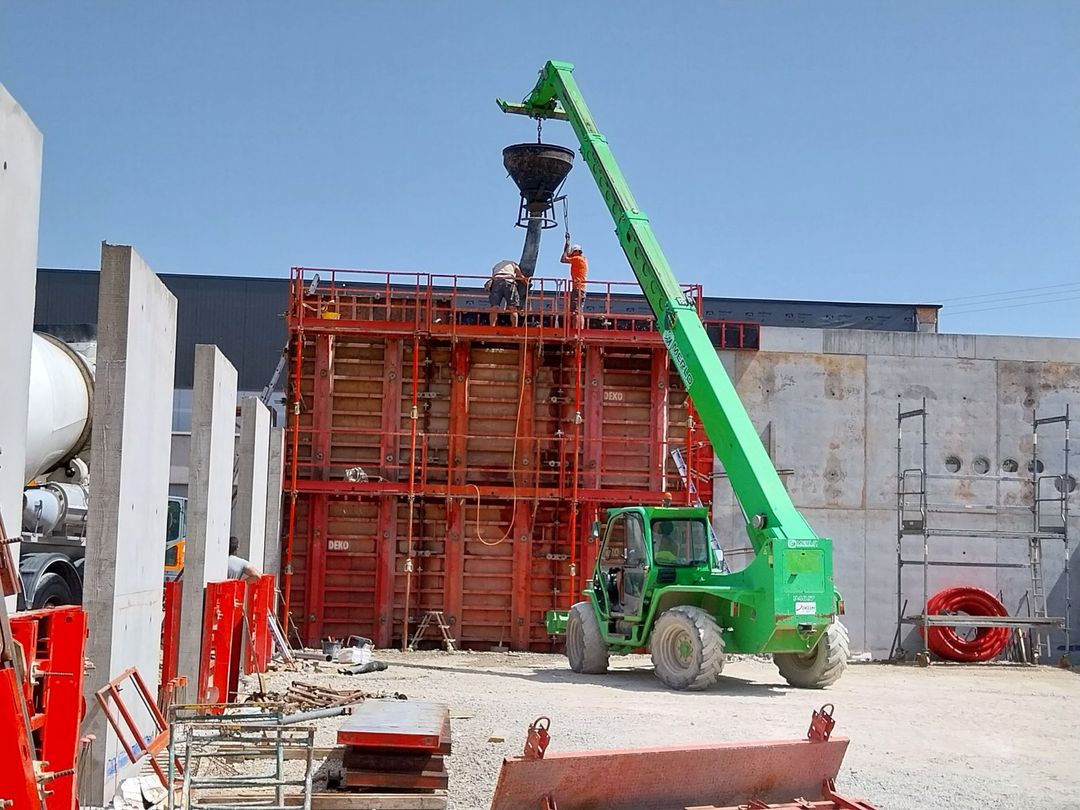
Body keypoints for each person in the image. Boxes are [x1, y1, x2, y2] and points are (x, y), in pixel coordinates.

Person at [560, 237, 588, 330]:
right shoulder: (582, 259)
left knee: (575, 311)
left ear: (576, 252)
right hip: (582, 288)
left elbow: (563, 259)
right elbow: (567, 256)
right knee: (580, 310)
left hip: (577, 288)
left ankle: (575, 330)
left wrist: (567, 245)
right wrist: (567, 244)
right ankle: (581, 330)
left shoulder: (577, 259)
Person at [488, 260, 526, 327]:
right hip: (509, 281)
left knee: (494, 307)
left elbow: (493, 276)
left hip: (496, 282)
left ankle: (492, 327)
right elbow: (519, 275)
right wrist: (526, 283)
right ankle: (514, 328)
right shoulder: (513, 264)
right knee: (513, 308)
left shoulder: (496, 266)